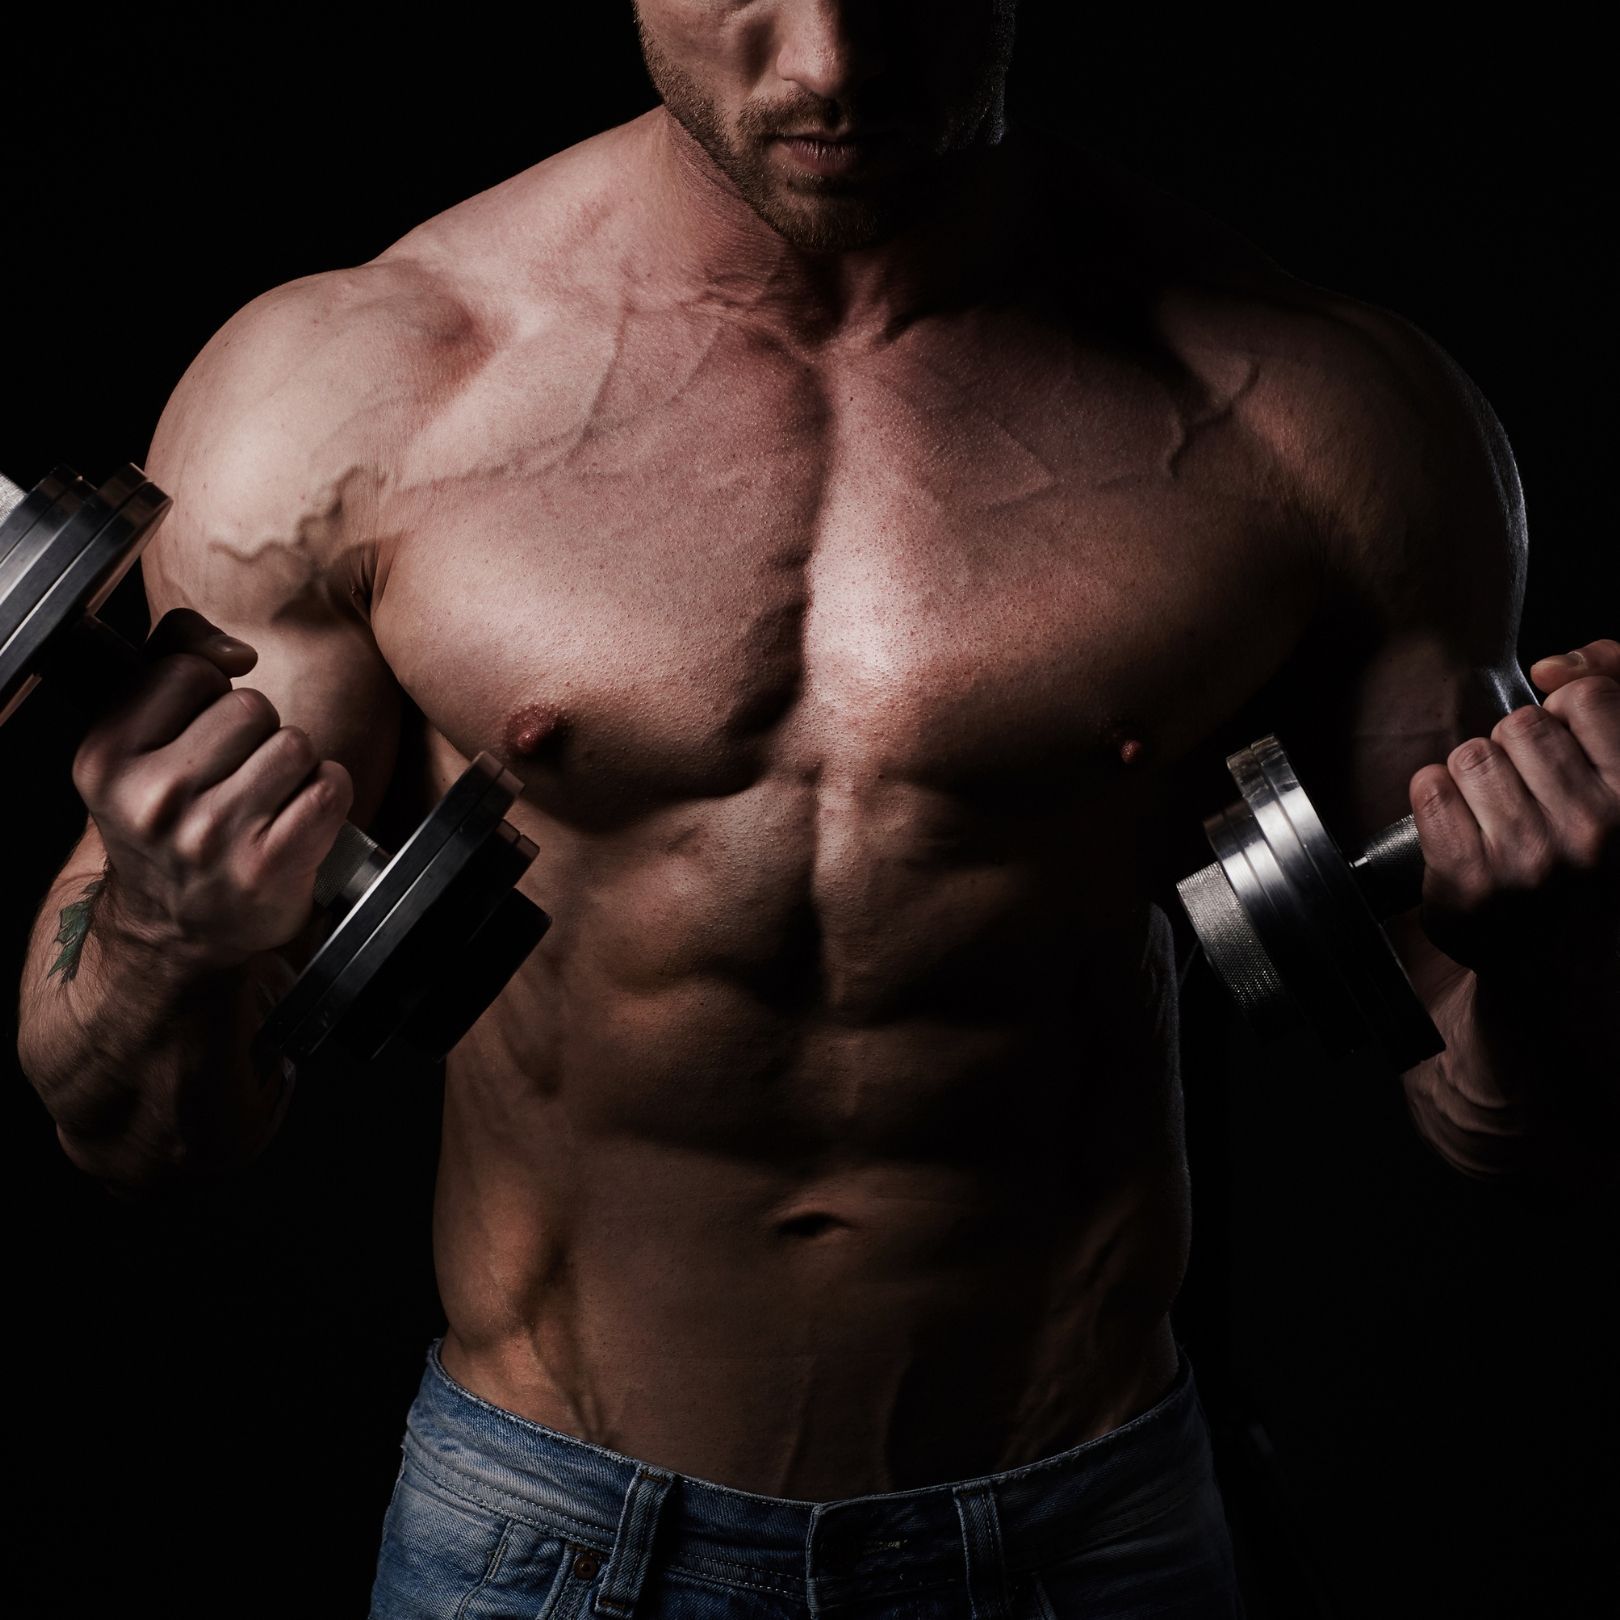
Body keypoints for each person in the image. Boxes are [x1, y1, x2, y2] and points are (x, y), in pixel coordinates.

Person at [15, 3, 1618, 1616]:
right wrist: (157, 934)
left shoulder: (1323, 416)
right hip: (548, 1542)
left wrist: (1547, 947)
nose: (834, 64)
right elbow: (141, 1128)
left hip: (1088, 1540)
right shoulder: (347, 395)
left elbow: (1506, 1122)